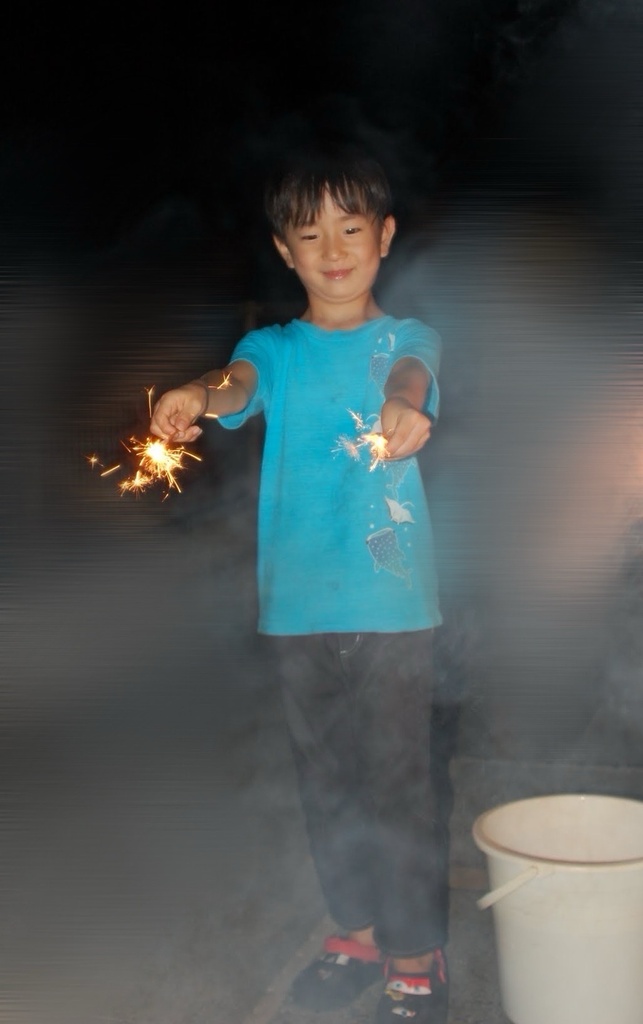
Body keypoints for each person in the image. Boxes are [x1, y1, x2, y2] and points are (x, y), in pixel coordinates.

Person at [150, 149, 449, 1024]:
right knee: (326, 779)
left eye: (350, 228)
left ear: (384, 236)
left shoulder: (408, 340)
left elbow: (411, 377)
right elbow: (234, 384)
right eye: (308, 234)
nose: (332, 249)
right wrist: (195, 394)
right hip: (296, 607)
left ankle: (414, 950)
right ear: (284, 251)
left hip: (392, 607)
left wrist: (406, 406)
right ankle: (356, 929)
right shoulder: (273, 349)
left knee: (398, 780)